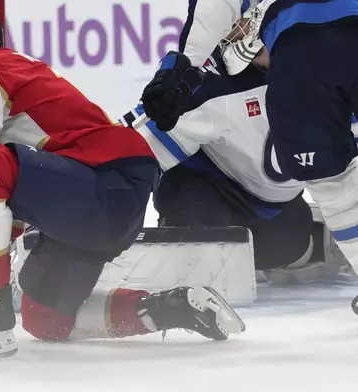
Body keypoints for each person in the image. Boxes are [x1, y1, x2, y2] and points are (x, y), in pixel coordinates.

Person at [0, 3, 245, 360]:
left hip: (104, 184)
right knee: (45, 317)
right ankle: (168, 308)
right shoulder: (19, 92)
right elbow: (2, 215)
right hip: (104, 204)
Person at [139, 0, 358, 288]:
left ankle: (314, 237)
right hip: (206, 190)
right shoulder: (212, 84)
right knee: (193, 226)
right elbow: (137, 153)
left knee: (290, 241)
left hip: (277, 210)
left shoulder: (313, 62)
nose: (237, 34)